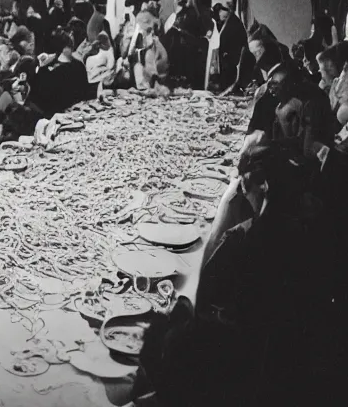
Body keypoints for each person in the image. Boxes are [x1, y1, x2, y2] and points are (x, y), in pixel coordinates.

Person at [132, 144, 327, 407]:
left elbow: (205, 306)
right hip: (278, 355)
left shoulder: (244, 240)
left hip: (238, 361)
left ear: (264, 185)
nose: (241, 185)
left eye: (244, 180)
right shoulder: (303, 230)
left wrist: (177, 320)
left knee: (157, 334)